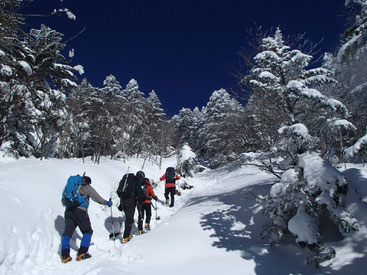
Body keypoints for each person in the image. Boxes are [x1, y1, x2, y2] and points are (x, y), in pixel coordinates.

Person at [61, 176, 112, 263]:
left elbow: (63, 199)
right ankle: (82, 252)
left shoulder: (71, 186)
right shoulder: (86, 186)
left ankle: (65, 255)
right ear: (88, 182)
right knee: (87, 231)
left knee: (67, 232)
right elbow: (97, 198)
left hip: (69, 210)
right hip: (80, 211)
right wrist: (106, 203)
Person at [117, 171, 144, 243]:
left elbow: (124, 193)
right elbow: (139, 192)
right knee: (129, 218)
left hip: (123, 201)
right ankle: (126, 237)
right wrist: (142, 199)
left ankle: (128, 234)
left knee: (128, 217)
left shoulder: (128, 181)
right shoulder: (137, 181)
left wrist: (120, 205)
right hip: (130, 201)